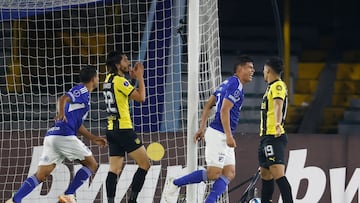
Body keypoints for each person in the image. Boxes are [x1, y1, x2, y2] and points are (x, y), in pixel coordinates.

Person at [6, 65, 107, 203]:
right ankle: (69, 194)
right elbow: (63, 98)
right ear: (93, 78)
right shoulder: (81, 89)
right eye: (97, 76)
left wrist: (93, 138)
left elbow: (78, 125)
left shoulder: (85, 96)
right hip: (64, 136)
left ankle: (14, 200)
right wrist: (61, 113)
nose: (98, 79)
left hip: (53, 136)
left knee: (41, 175)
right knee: (92, 165)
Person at [164, 55, 255, 203]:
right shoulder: (236, 86)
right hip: (220, 134)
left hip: (221, 133)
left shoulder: (226, 83)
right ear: (240, 68)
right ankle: (175, 183)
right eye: (250, 67)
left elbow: (208, 104)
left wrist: (202, 127)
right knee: (213, 173)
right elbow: (224, 110)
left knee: (229, 172)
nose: (253, 71)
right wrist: (228, 136)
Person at [103, 51, 150, 203]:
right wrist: (140, 77)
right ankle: (132, 201)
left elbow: (122, 93)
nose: (128, 62)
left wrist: (131, 78)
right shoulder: (119, 81)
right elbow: (141, 98)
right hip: (124, 129)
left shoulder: (108, 79)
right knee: (145, 164)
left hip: (111, 129)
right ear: (117, 64)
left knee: (114, 170)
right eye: (125, 60)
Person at [258, 57, 293, 203]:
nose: (264, 74)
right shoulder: (270, 87)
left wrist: (278, 124)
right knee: (266, 176)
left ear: (268, 70)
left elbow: (278, 105)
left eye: (264, 71)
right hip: (265, 137)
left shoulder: (278, 86)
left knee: (279, 176)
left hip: (274, 136)